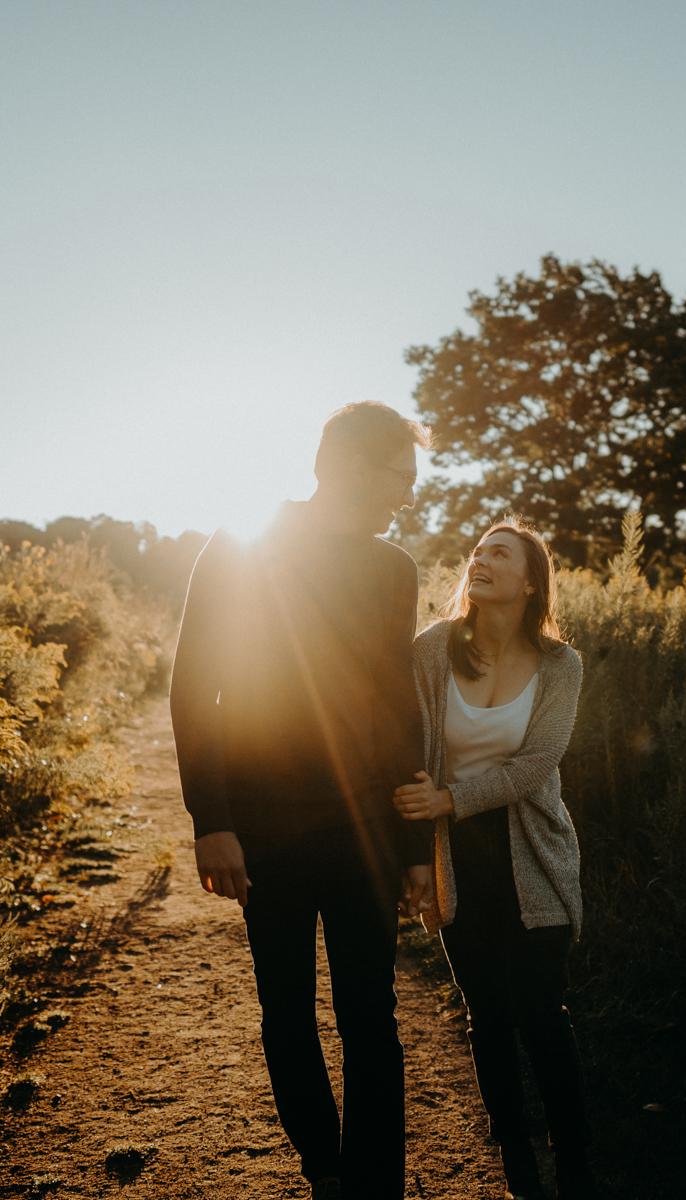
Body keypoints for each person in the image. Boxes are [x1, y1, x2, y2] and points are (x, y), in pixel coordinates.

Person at [170, 402, 433, 1200]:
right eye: (400, 476)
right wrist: (212, 820)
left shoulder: (395, 569)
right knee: (286, 1010)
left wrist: (415, 848)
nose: (408, 495)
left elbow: (398, 706)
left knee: (371, 1015)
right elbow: (196, 688)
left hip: (367, 829)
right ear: (347, 466)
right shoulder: (241, 547)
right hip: (266, 830)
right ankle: (325, 1170)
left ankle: (376, 1185)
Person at [393, 515, 596, 1200]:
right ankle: (516, 1159)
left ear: (531, 581)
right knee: (486, 1014)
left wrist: (450, 798)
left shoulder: (561, 665)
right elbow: (412, 751)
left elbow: (538, 763)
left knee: (542, 1010)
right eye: (477, 550)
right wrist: (415, 850)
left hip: (533, 852)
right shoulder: (432, 650)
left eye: (500, 553)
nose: (480, 559)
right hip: (457, 859)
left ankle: (575, 1159)